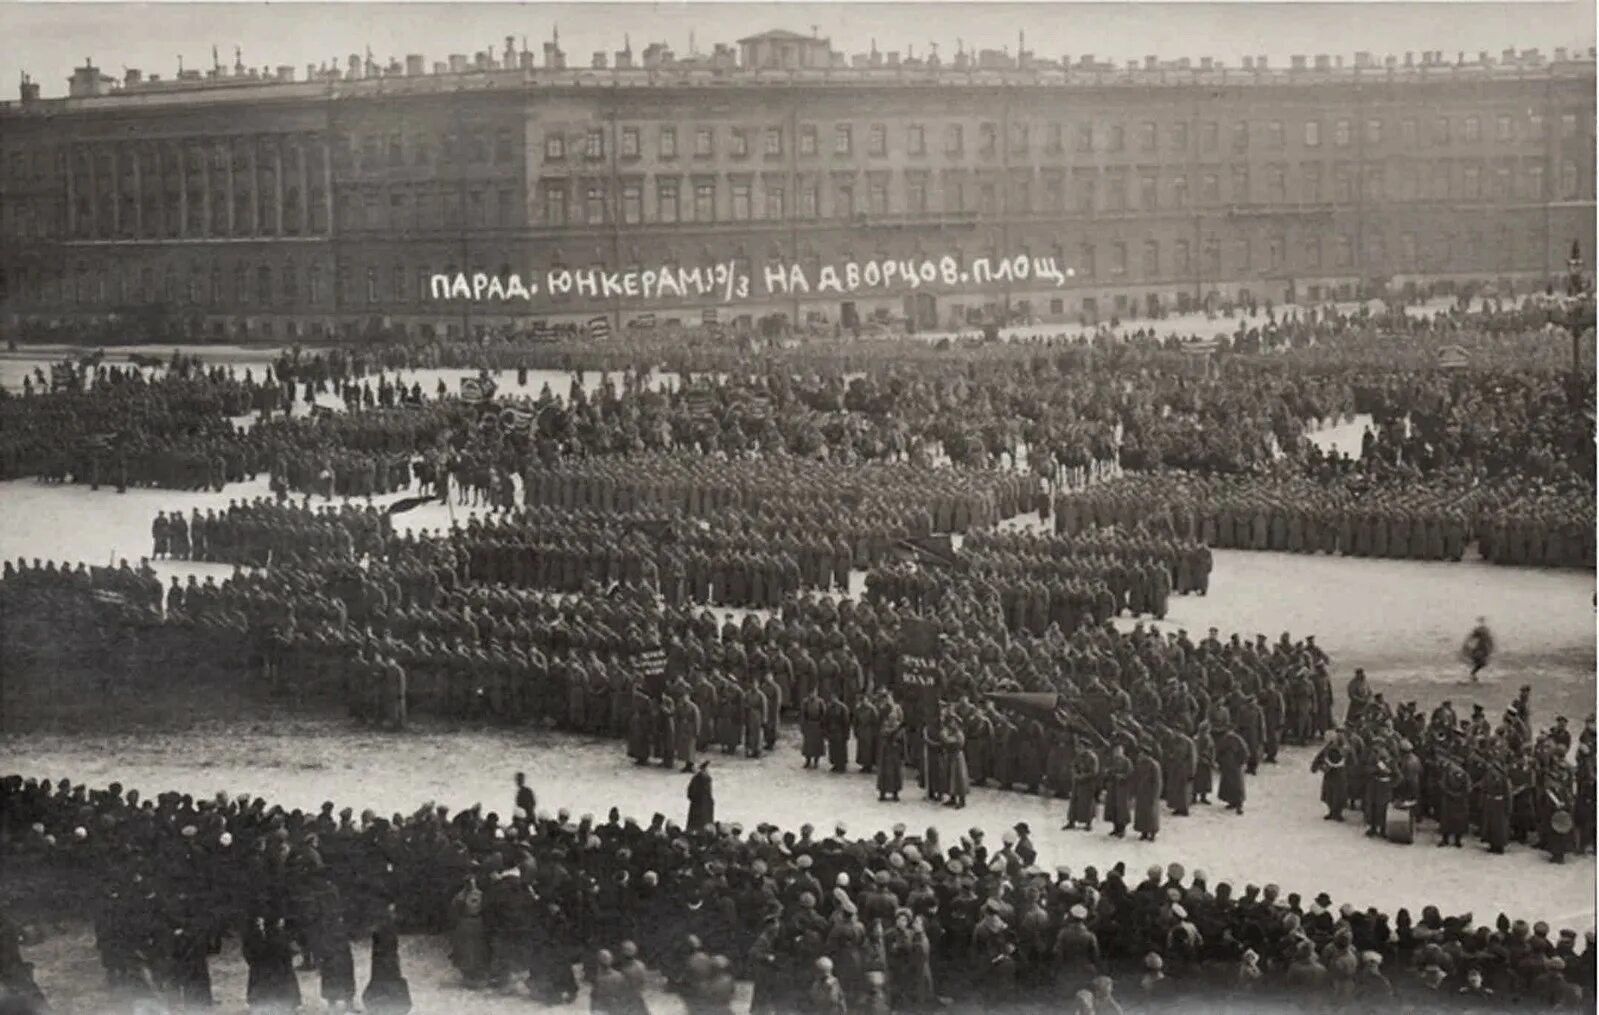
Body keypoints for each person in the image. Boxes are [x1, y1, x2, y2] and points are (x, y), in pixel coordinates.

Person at [1462, 617, 1495, 681]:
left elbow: (1489, 639)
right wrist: (1467, 644)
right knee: (1481, 662)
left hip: (1484, 648)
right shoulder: (1480, 630)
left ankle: (1472, 674)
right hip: (1480, 648)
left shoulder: (1485, 630)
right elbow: (1471, 637)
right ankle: (1472, 674)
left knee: (1482, 663)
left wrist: (1491, 647)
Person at [688, 760, 715, 832]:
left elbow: (690, 794)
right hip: (705, 808)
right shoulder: (707, 779)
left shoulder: (695, 778)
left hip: (696, 807)